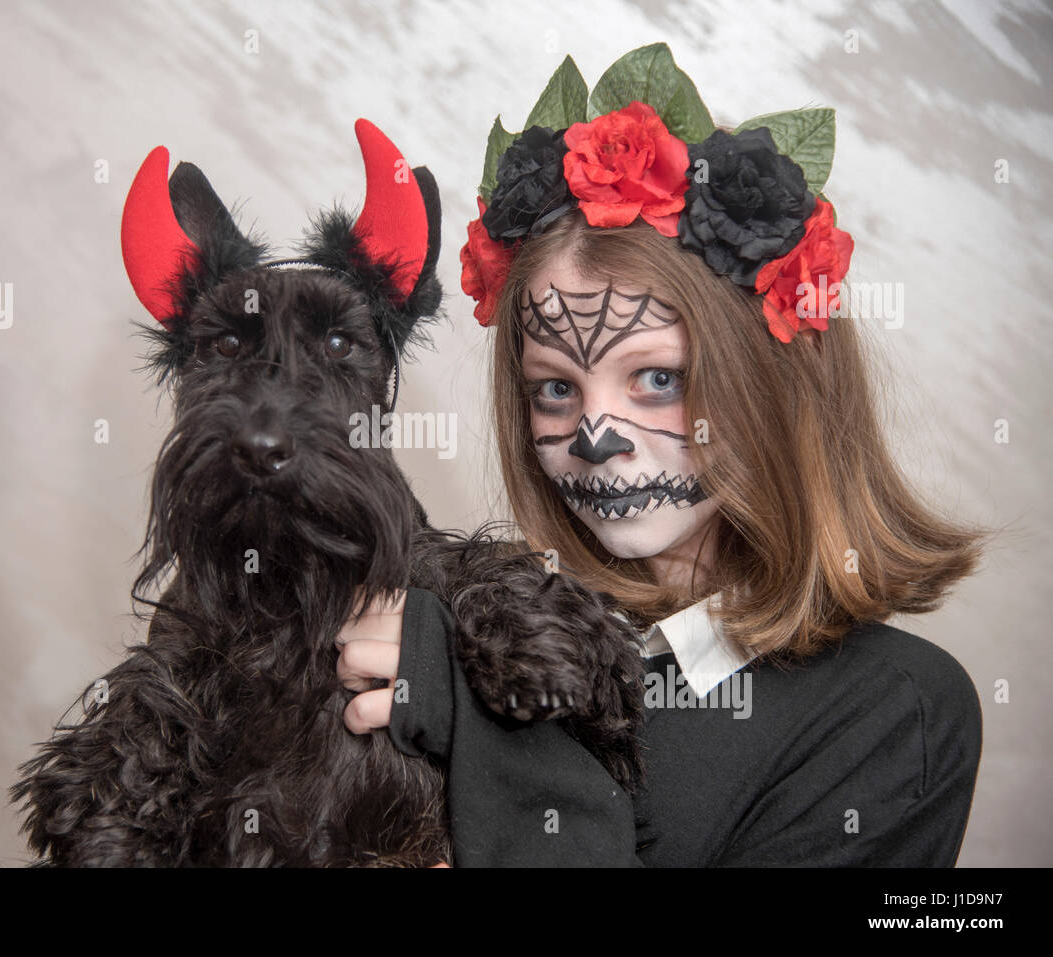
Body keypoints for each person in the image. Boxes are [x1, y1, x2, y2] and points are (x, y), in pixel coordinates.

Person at [336, 46, 985, 866]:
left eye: (655, 376)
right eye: (555, 390)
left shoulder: (896, 715)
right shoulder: (478, 621)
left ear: (775, 384)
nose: (593, 435)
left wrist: (477, 724)